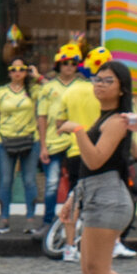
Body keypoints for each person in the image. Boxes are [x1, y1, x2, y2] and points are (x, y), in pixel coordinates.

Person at [58, 57, 137, 274]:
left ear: (121, 89)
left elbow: (95, 159)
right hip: (96, 194)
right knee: (91, 267)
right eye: (97, 79)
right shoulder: (105, 118)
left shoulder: (118, 120)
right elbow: (92, 167)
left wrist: (77, 130)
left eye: (108, 81)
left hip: (109, 198)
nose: (100, 85)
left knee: (98, 267)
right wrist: (73, 197)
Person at [36, 44, 87, 239]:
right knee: (51, 184)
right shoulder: (48, 88)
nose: (69, 67)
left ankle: (73, 223)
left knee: (77, 186)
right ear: (59, 64)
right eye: (65, 63)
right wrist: (42, 146)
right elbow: (41, 117)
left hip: (77, 142)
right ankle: (48, 222)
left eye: (73, 63)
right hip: (53, 140)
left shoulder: (84, 87)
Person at [0, 56, 40, 235]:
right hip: (4, 139)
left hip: (30, 138)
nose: (17, 73)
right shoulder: (0, 92)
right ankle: (3, 218)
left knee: (29, 180)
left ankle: (30, 219)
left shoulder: (34, 90)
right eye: (14, 69)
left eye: (22, 69)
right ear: (9, 72)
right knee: (5, 180)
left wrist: (37, 77)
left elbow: (52, 91)